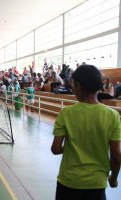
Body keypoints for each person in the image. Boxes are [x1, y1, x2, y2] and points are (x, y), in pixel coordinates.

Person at [51, 65, 121, 200]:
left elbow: (56, 149)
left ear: (78, 85)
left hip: (69, 182)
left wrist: (75, 145)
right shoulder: (112, 115)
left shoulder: (66, 113)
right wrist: (113, 179)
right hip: (97, 183)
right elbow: (117, 156)